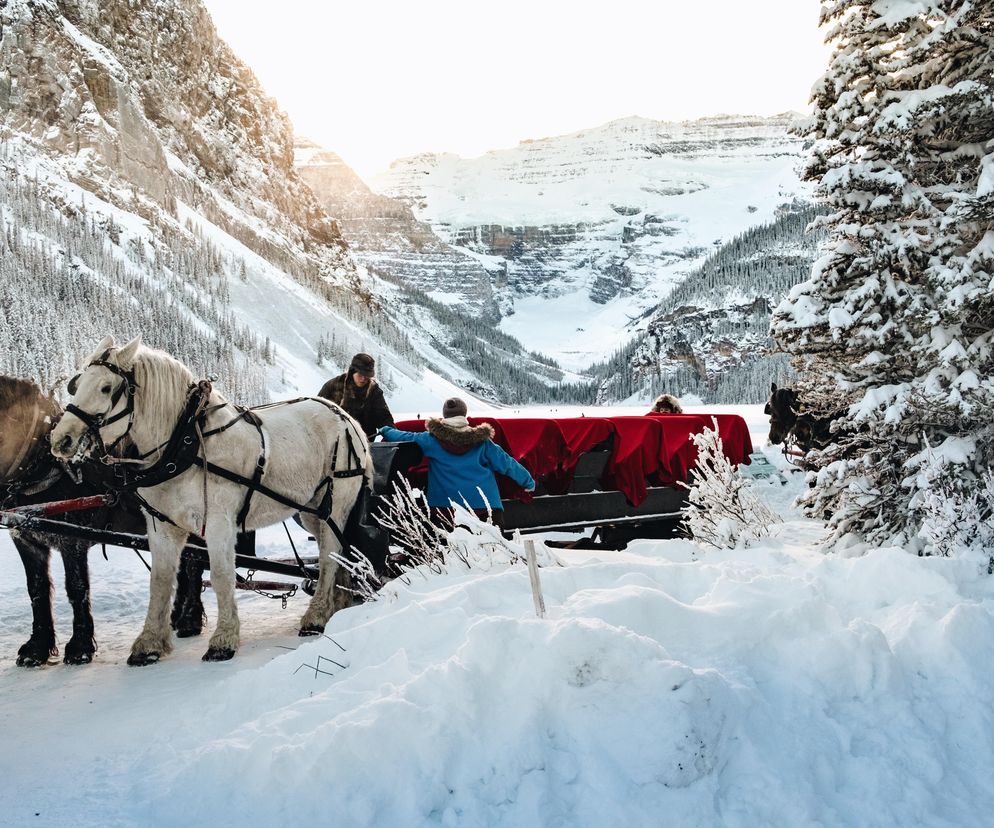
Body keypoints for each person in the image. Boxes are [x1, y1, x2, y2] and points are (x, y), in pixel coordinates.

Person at [378, 397, 535, 529]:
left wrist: (386, 430)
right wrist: (528, 482)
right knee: (494, 555)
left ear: (445, 415)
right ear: (464, 414)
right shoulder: (483, 442)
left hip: (445, 508)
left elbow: (405, 436)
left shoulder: (431, 440)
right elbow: (507, 464)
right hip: (485, 508)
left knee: (450, 557)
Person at [317, 352, 394, 438]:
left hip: (365, 443)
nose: (363, 379)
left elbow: (384, 418)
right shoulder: (332, 386)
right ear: (352, 372)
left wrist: (390, 432)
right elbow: (317, 413)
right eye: (360, 375)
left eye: (367, 376)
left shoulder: (374, 391)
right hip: (334, 442)